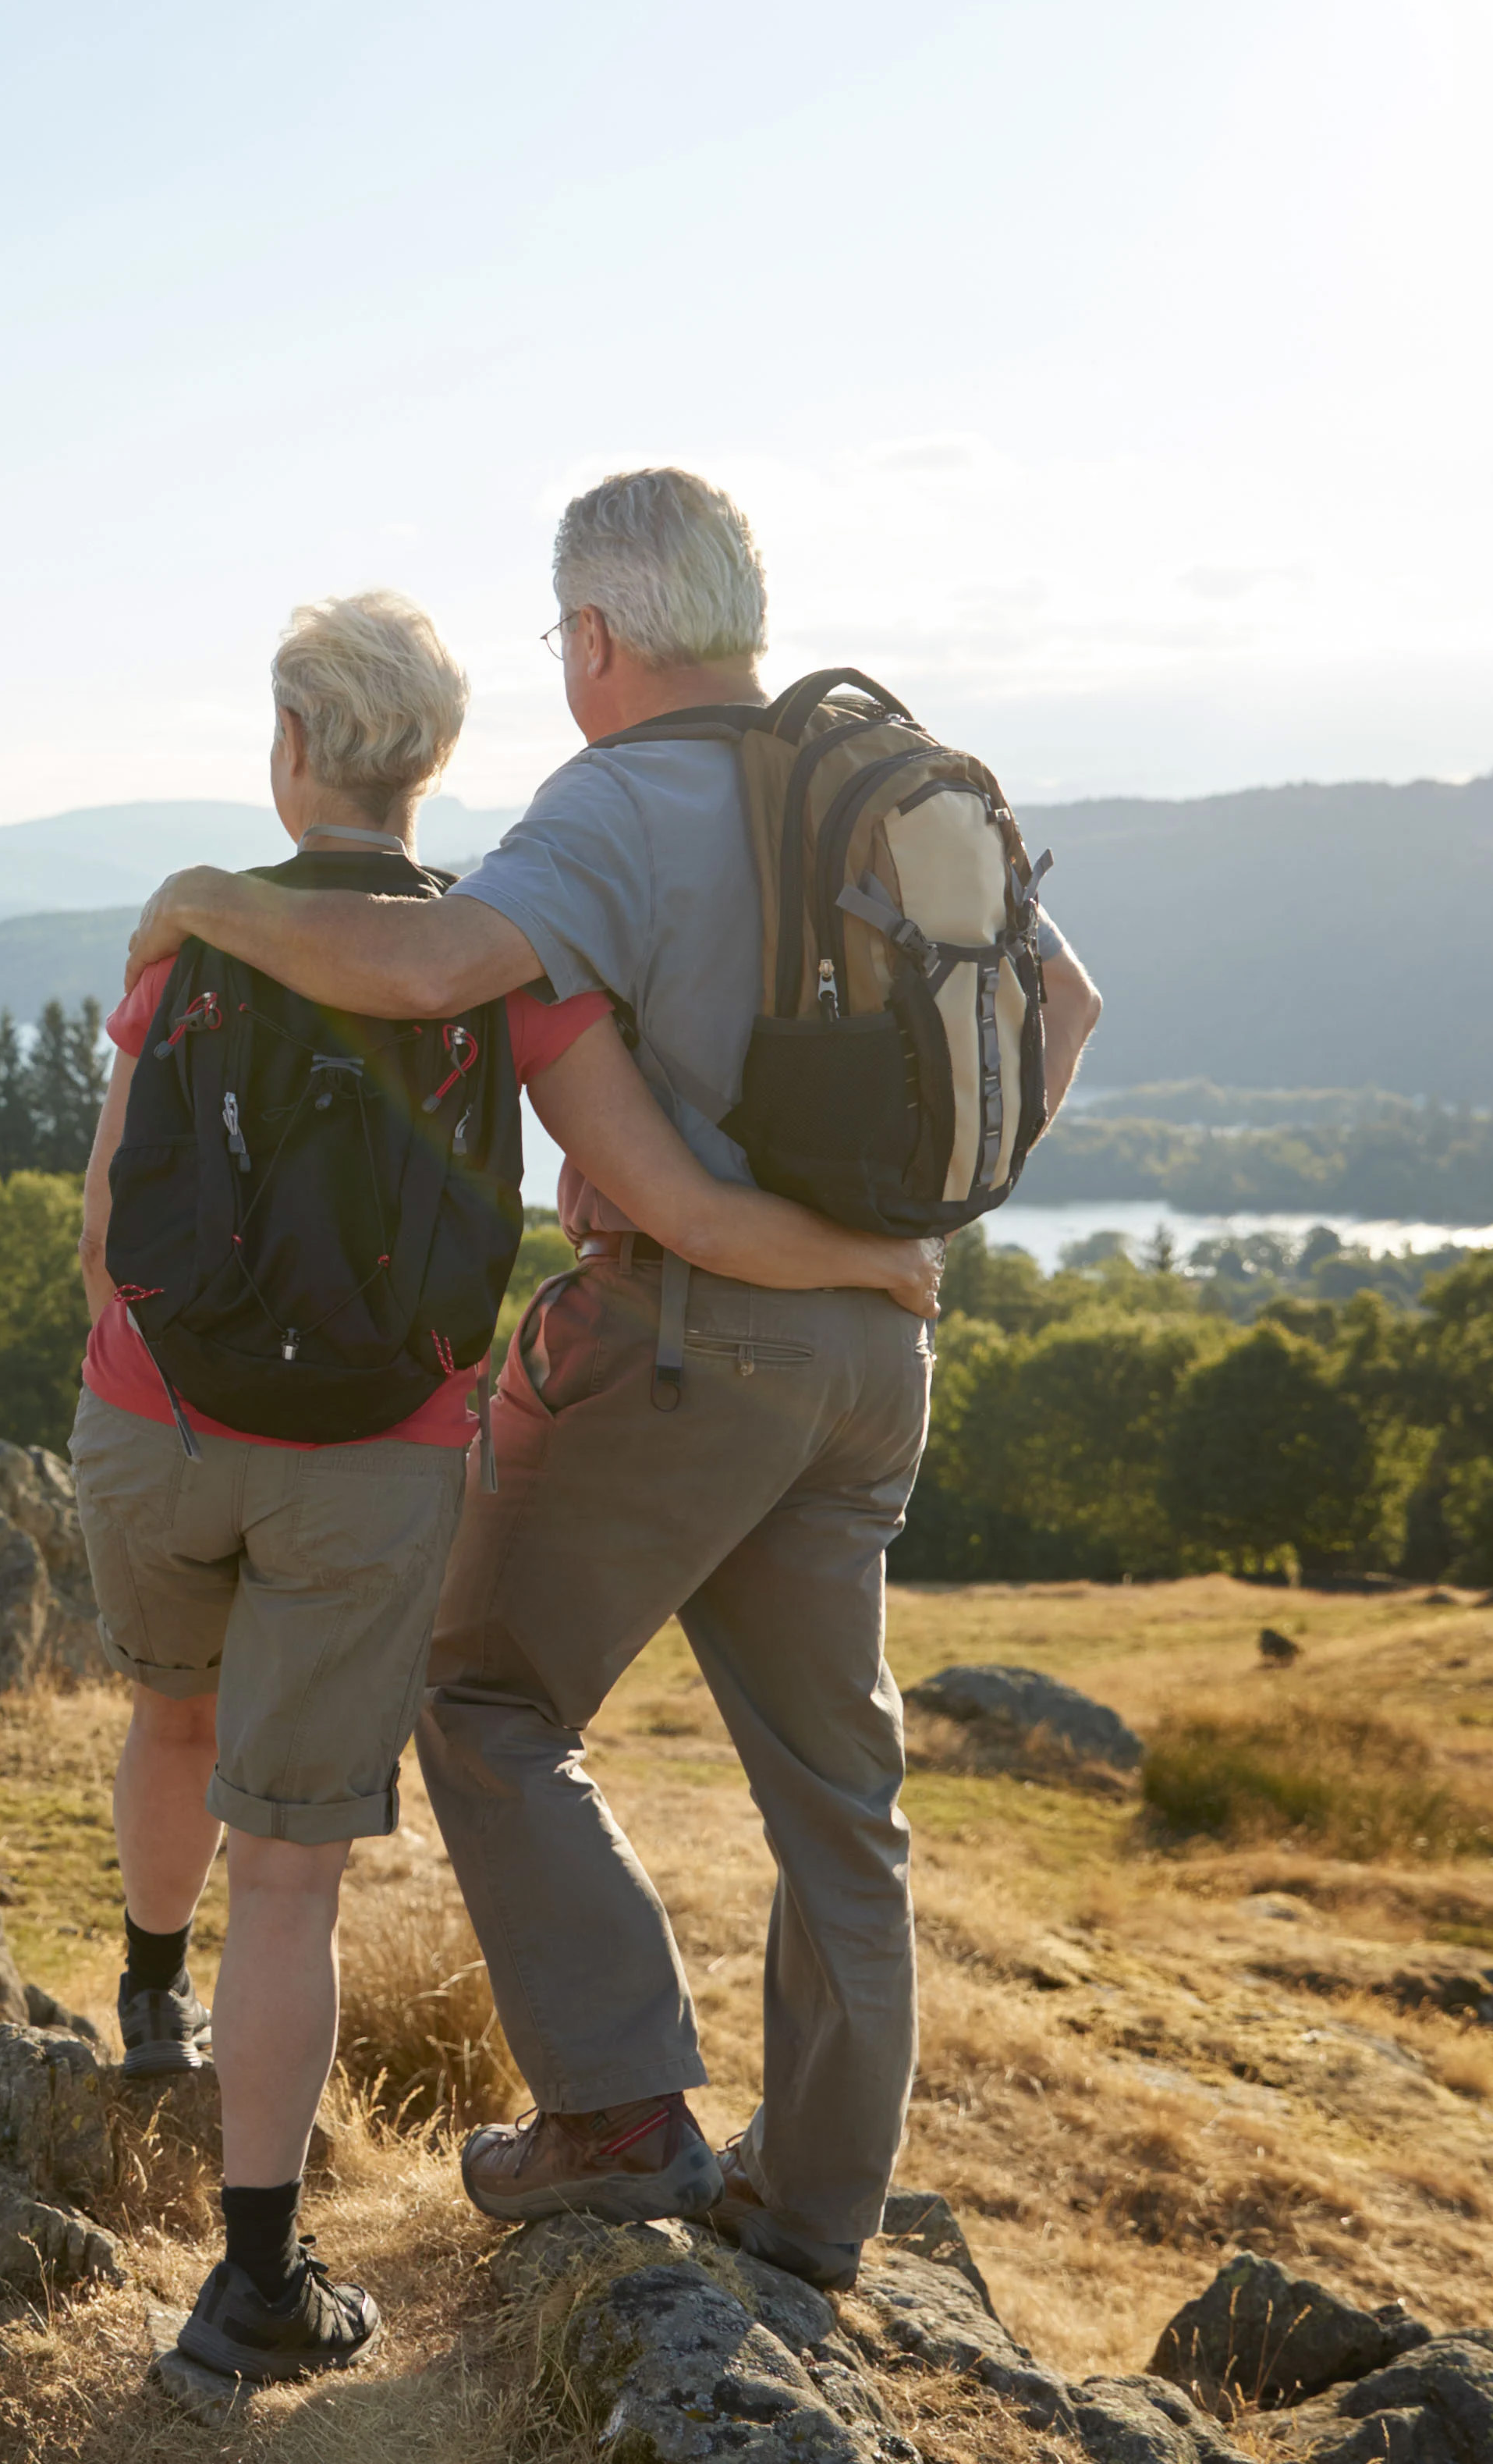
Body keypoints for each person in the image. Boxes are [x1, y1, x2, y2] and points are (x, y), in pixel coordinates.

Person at [126, 470, 1105, 2291]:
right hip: (881, 1350)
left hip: (679, 1338)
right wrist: (905, 1224)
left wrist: (206, 903)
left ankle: (620, 2109)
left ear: (591, 640)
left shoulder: (623, 797)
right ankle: (815, 2215)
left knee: (479, 1687)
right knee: (841, 1797)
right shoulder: (883, 782)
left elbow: (429, 963)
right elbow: (1066, 1013)